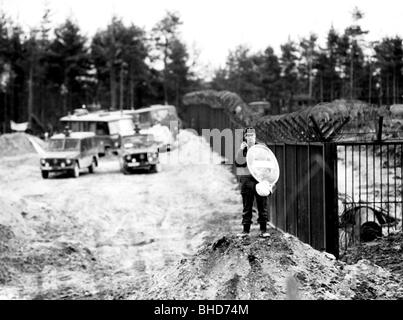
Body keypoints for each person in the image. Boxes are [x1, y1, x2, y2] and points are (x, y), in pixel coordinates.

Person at [235, 127, 270, 238]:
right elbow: (238, 163)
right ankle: (246, 231)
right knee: (247, 206)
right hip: (246, 181)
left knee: (262, 206)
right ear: (245, 137)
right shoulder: (242, 149)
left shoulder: (261, 147)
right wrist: (241, 150)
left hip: (259, 180)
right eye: (248, 135)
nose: (250, 137)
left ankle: (263, 230)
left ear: (255, 136)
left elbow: (268, 162)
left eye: (252, 135)